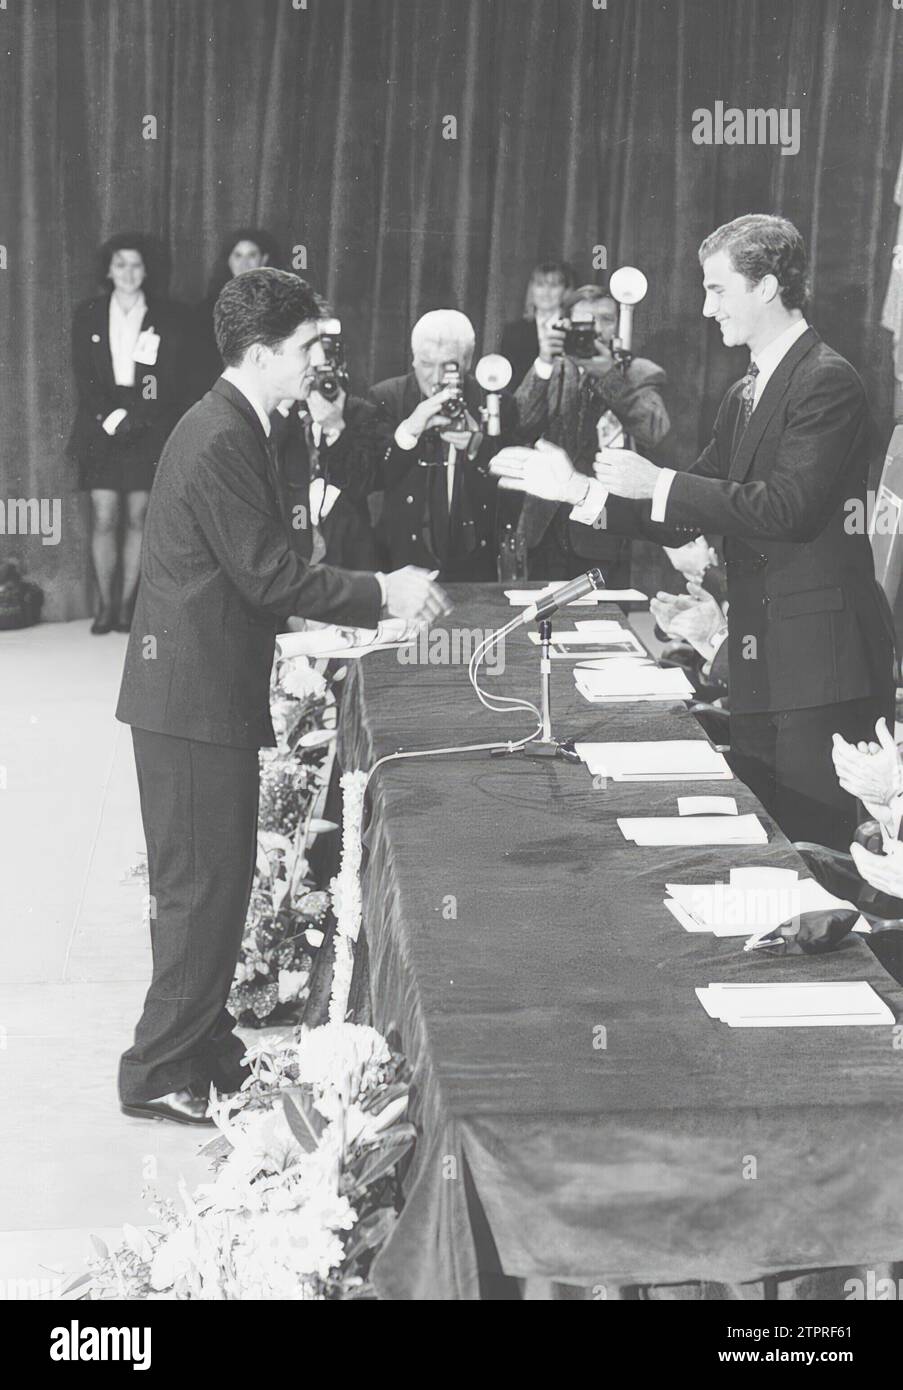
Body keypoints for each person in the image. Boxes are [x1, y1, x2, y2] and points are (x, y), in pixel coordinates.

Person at [115, 269, 449, 1126]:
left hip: (199, 689)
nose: (320, 361)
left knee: (218, 882)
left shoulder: (245, 421)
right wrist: (384, 593)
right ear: (262, 354)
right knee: (200, 886)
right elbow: (266, 574)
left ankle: (203, 1045)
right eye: (308, 348)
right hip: (189, 697)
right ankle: (157, 1069)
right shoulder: (224, 434)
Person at [491, 214, 895, 850]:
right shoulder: (745, 391)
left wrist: (656, 481)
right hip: (766, 665)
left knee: (815, 854)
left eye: (717, 289)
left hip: (823, 669)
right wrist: (578, 490)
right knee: (772, 850)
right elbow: (686, 505)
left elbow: (787, 507)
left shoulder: (827, 380)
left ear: (766, 287)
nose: (707, 309)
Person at [67, 233, 189, 633]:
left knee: (138, 517)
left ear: (146, 270)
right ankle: (104, 605)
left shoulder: (166, 316)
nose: (128, 273)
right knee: (104, 516)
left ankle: (124, 609)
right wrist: (109, 415)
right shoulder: (88, 313)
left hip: (146, 421)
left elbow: (165, 376)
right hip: (99, 420)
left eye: (136, 265)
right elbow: (84, 375)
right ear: (108, 269)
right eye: (121, 264)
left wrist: (135, 416)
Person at [514, 283, 670, 583]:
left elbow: (654, 429)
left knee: (601, 624)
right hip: (543, 524)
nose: (596, 330)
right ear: (567, 325)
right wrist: (544, 363)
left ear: (618, 325)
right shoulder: (556, 368)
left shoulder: (638, 371)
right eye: (586, 322)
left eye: (606, 320)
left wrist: (608, 375)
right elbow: (521, 422)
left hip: (602, 528)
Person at [368, 309, 518, 581]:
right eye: (426, 363)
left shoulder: (495, 401)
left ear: (468, 362)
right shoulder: (386, 397)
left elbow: (512, 490)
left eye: (449, 366)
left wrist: (478, 446)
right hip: (404, 563)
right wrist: (410, 429)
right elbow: (376, 476)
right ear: (413, 359)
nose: (436, 378)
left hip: (474, 564)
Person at [270, 327, 382, 569]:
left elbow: (362, 483)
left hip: (347, 553)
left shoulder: (361, 413)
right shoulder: (284, 412)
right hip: (292, 545)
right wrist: (285, 403)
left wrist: (336, 428)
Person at [191, 228, 279, 398]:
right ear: (228, 261)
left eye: (251, 255)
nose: (244, 263)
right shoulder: (205, 310)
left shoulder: (278, 305)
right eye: (238, 256)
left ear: (264, 259)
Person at [499, 260, 573, 389]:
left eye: (554, 285)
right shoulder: (513, 331)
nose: (546, 292)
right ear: (532, 290)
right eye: (540, 285)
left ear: (565, 291)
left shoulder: (572, 329)